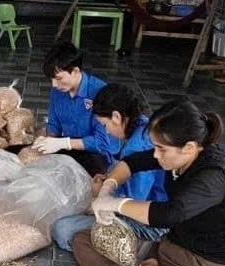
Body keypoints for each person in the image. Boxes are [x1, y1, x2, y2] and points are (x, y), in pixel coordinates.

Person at [73, 99, 225, 266]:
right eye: (154, 146)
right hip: (166, 249)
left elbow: (170, 214)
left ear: (190, 147)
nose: (155, 154)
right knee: (82, 240)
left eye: (161, 149)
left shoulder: (213, 175)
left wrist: (116, 204)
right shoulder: (178, 157)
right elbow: (132, 162)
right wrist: (108, 186)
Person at [52, 84, 168, 252]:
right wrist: (108, 179)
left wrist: (101, 194)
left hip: (151, 224)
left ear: (116, 116)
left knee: (62, 230)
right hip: (154, 210)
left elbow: (133, 202)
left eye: (105, 125)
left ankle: (142, 249)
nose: (106, 131)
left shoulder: (135, 149)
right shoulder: (143, 125)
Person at [33, 40, 112, 176]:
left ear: (75, 71)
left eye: (58, 78)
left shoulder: (100, 92)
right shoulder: (58, 91)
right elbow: (54, 124)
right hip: (68, 147)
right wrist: (49, 141)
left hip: (96, 155)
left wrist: (64, 143)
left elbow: (102, 142)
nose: (54, 84)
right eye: (51, 79)